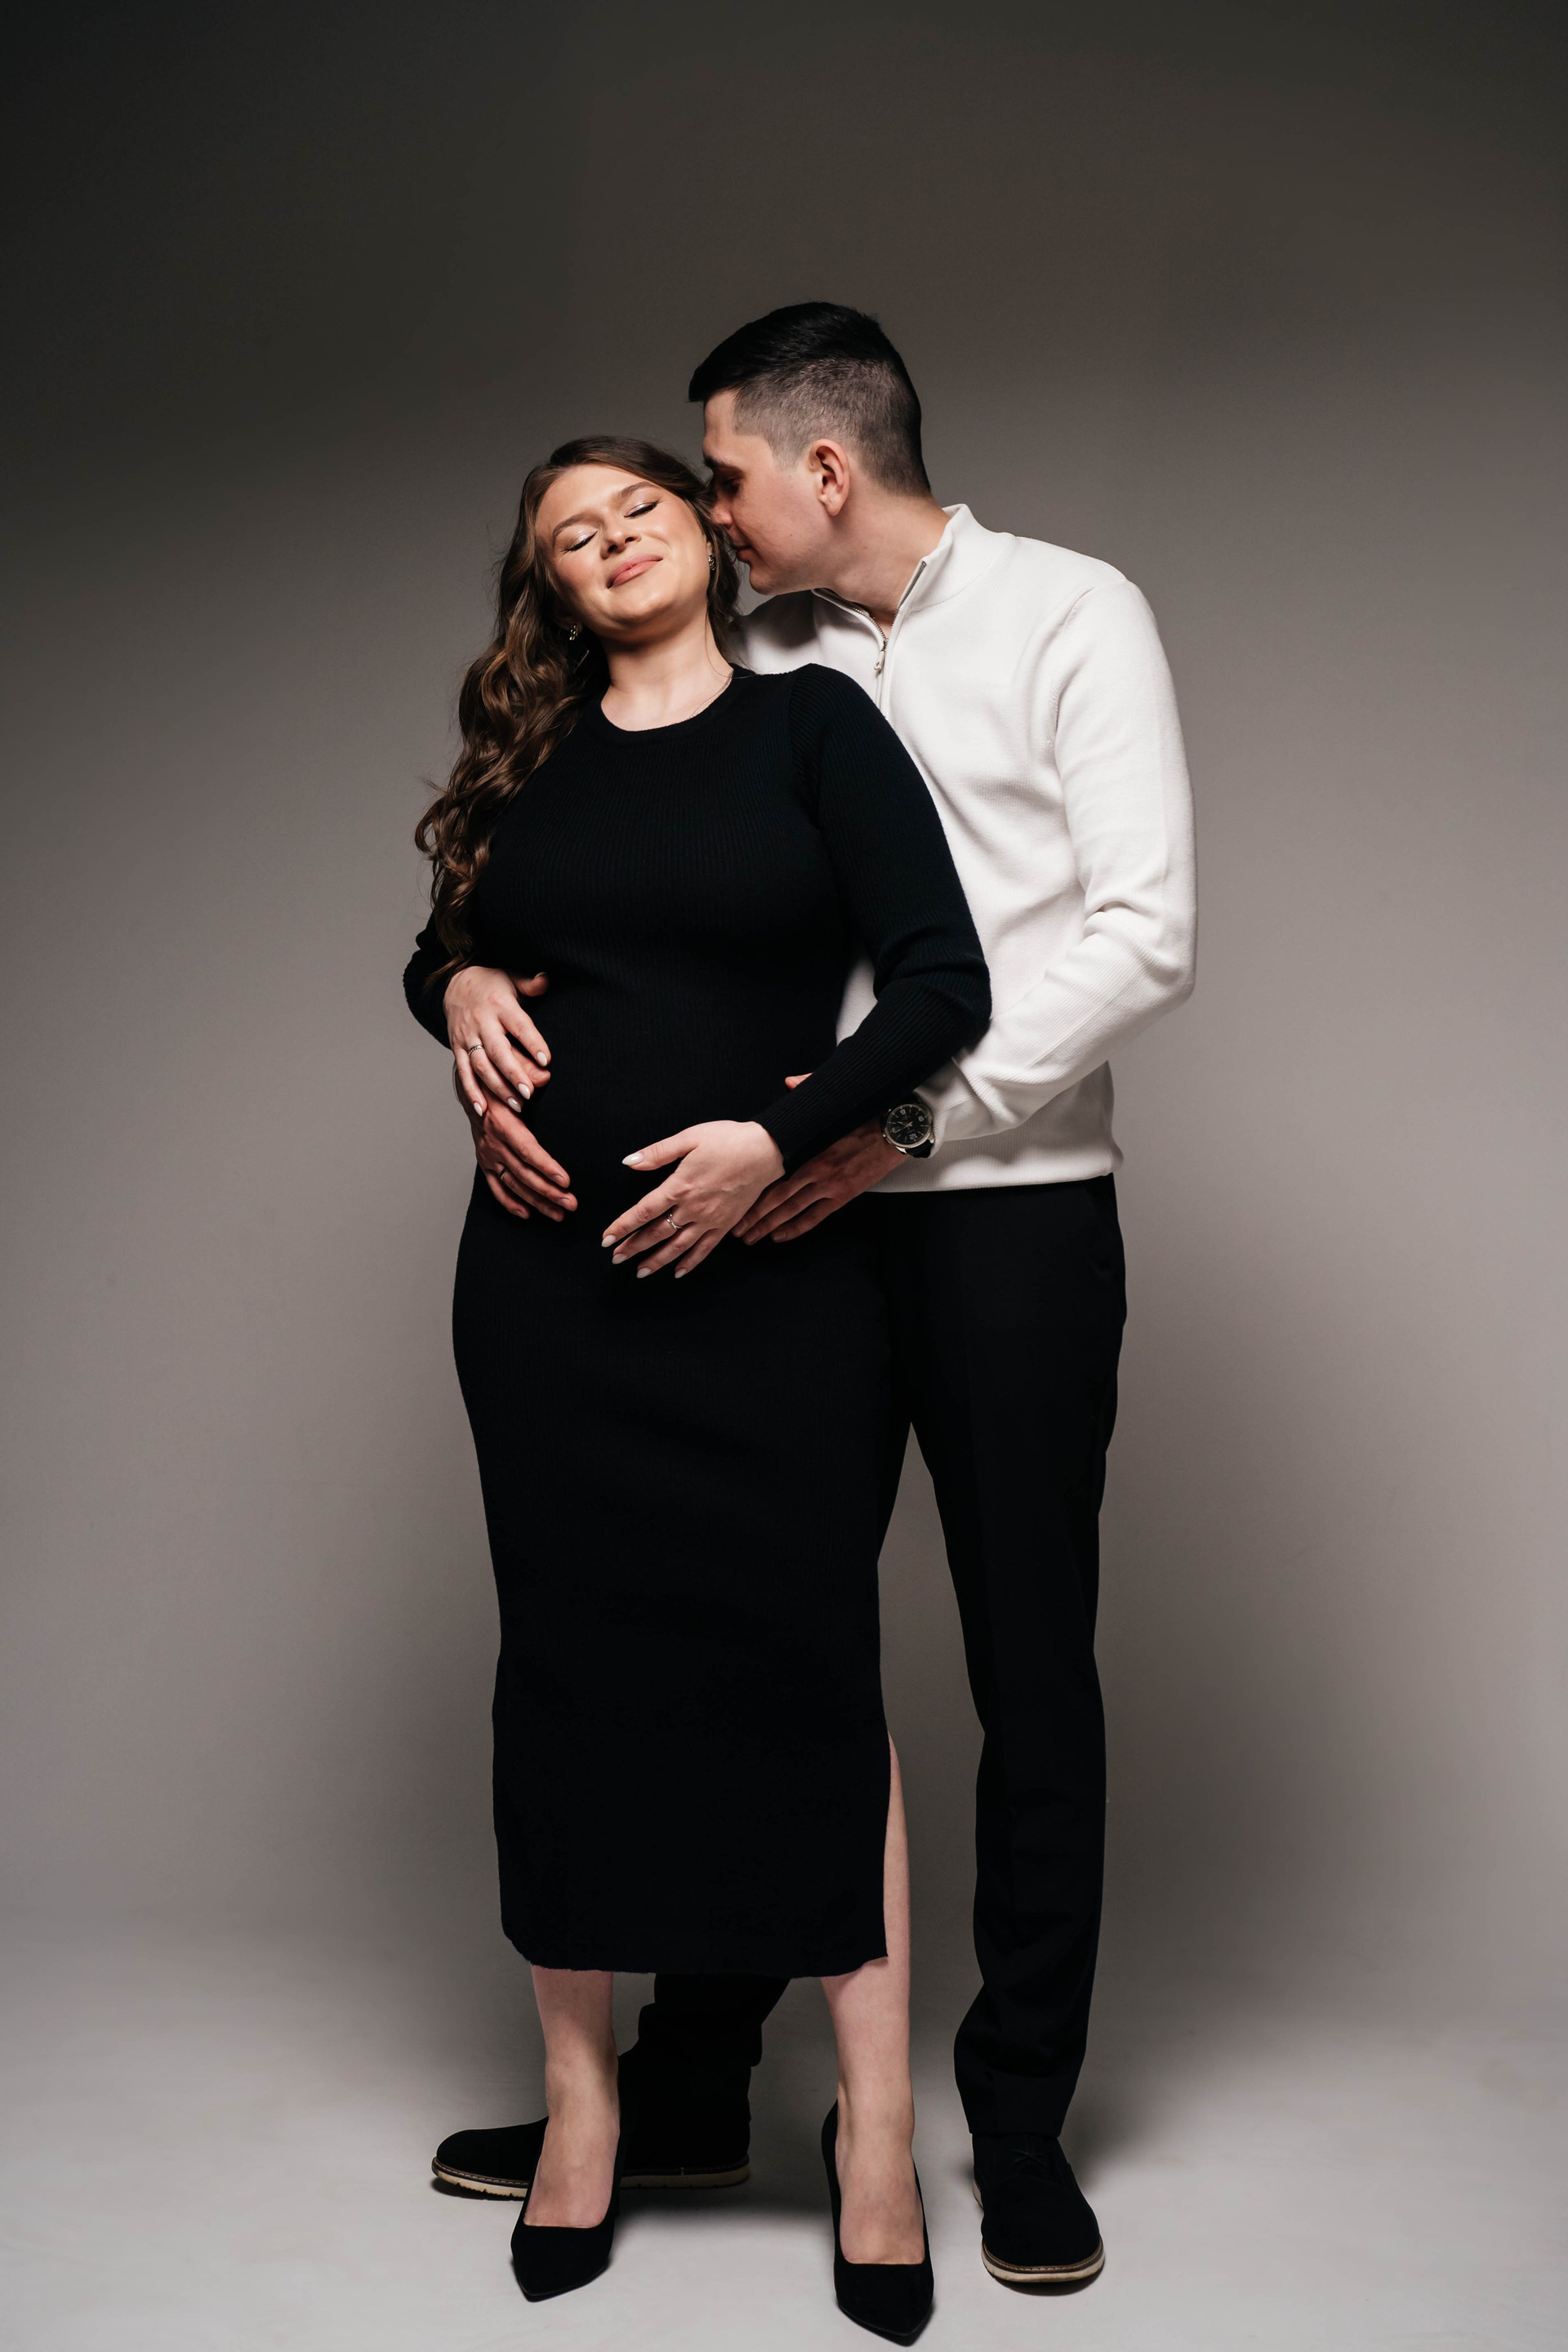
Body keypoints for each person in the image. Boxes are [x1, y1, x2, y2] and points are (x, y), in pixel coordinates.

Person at [436, 309, 1197, 2293]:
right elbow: (594, 867)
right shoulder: (757, 653)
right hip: (773, 1230)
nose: (700, 510)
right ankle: (693, 2076)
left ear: (821, 470)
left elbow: (1143, 936)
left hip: (997, 1201)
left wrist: (901, 1125)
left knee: (1026, 1659)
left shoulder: (1069, 613)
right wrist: (462, 977)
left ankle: (1009, 2128)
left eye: (720, 477)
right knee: (750, 1633)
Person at [403, 434, 988, 2329]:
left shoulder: (815, 730)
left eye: (638, 507)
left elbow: (943, 984)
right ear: (554, 587)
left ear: (705, 530)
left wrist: (777, 1139)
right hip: (547, 1299)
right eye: (571, 536)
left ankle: (875, 2133)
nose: (610, 541)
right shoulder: (532, 761)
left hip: (776, 1289)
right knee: (569, 1672)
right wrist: (455, 988)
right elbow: (453, 950)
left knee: (811, 1670)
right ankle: (587, 2109)